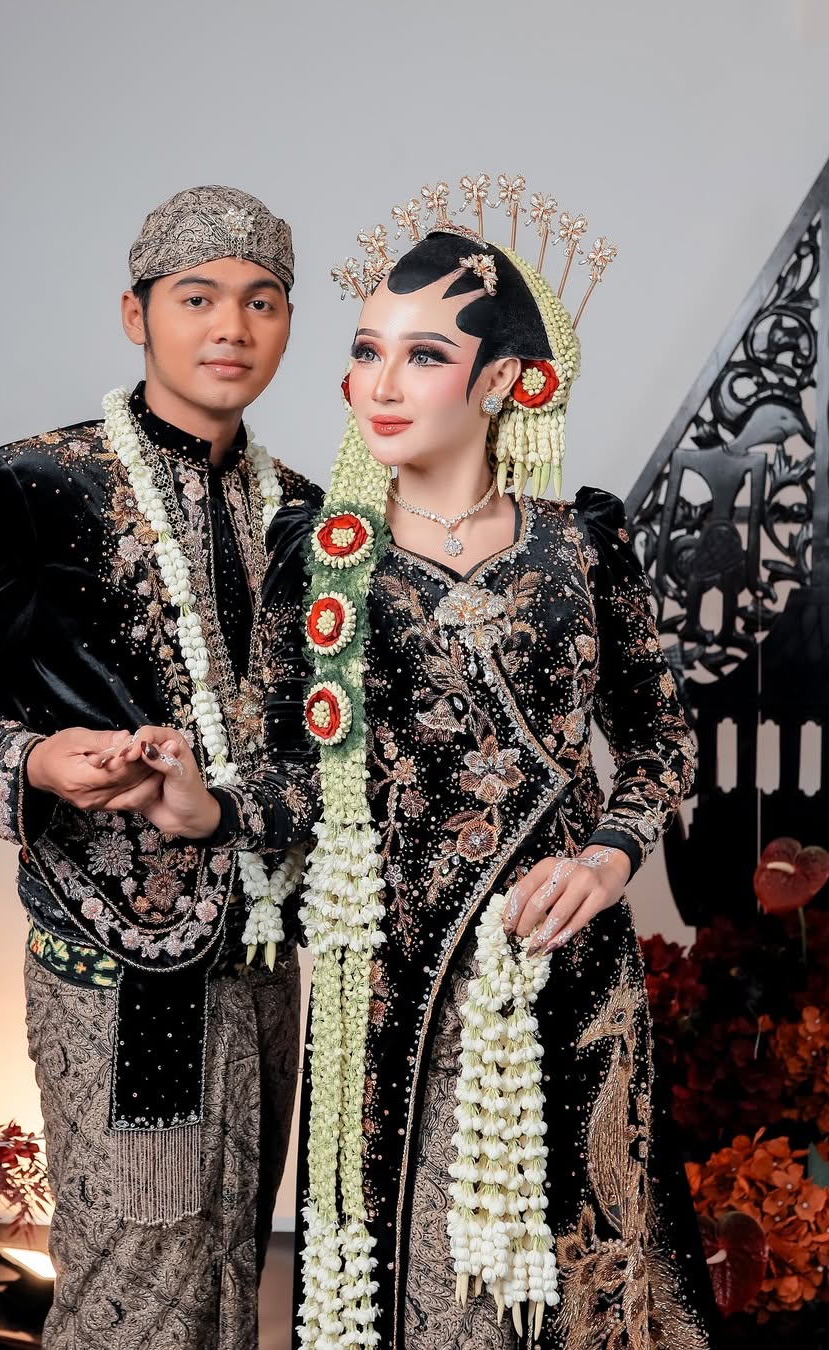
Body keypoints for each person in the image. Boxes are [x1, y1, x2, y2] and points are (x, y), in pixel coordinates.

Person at [122, 178, 717, 1349]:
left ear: (504, 381)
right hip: (393, 985)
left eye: (424, 355)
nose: (380, 386)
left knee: (589, 1278)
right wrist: (207, 808)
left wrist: (607, 860)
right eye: (366, 352)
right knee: (424, 1291)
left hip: (571, 968)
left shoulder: (583, 542)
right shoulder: (320, 559)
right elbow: (300, 777)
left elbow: (659, 743)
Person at [0, 185, 322, 1350]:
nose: (231, 326)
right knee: (137, 1282)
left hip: (265, 957)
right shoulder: (35, 486)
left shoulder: (308, 518)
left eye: (262, 301)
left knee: (232, 1266)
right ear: (135, 313)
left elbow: (320, 745)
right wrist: (32, 760)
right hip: (117, 963)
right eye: (197, 298)